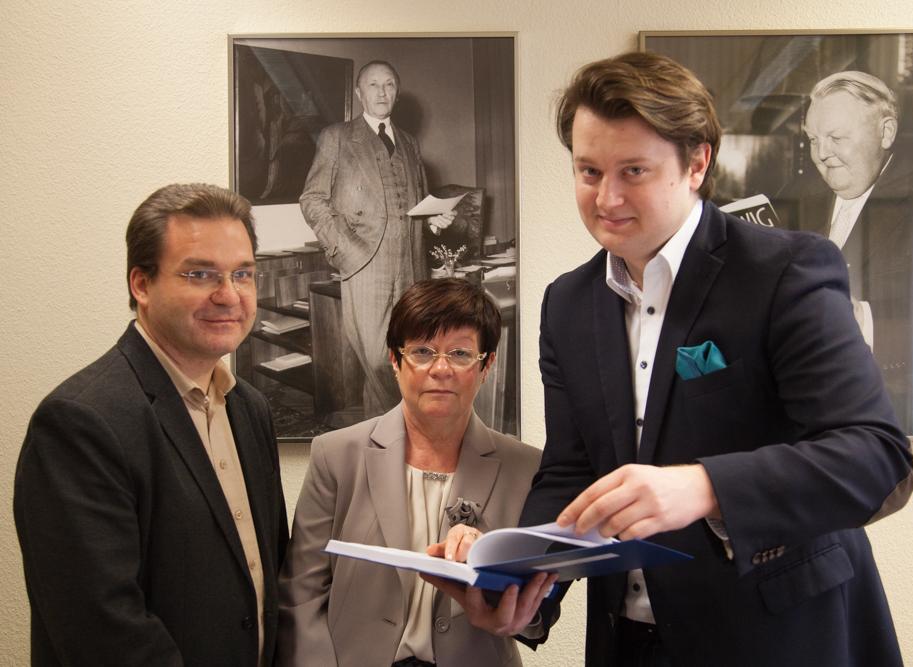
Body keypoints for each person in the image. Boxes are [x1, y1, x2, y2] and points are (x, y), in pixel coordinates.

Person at [432, 52, 913, 666]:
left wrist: (705, 487)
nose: (606, 197)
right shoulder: (567, 303)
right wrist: (522, 586)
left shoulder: (785, 271)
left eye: (633, 170)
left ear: (697, 163)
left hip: (779, 638)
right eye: (588, 171)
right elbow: (571, 472)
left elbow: (879, 458)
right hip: (628, 643)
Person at [13, 183, 288, 666]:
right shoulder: (80, 423)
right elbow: (103, 632)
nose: (229, 295)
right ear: (141, 285)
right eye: (200, 274)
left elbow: (269, 584)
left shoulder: (249, 408)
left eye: (242, 274)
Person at [276, 277, 543, 667]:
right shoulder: (336, 455)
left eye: (460, 353)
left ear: (486, 365)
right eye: (422, 351)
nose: (440, 369)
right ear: (395, 360)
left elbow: (535, 612)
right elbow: (302, 595)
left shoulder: (527, 467)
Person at [300, 59, 455, 420]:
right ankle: (408, 425)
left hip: (411, 265)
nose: (382, 92)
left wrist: (432, 221)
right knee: (376, 358)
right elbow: (312, 199)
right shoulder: (337, 137)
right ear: (359, 93)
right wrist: (345, 250)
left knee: (409, 354)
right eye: (373, 85)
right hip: (364, 264)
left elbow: (413, 205)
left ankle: (385, 437)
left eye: (389, 85)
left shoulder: (409, 142)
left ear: (397, 93)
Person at [801, 70, 913, 434]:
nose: (821, 154)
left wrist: (862, 320)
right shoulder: (801, 200)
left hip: (885, 417)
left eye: (836, 138)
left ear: (886, 132)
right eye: (813, 139)